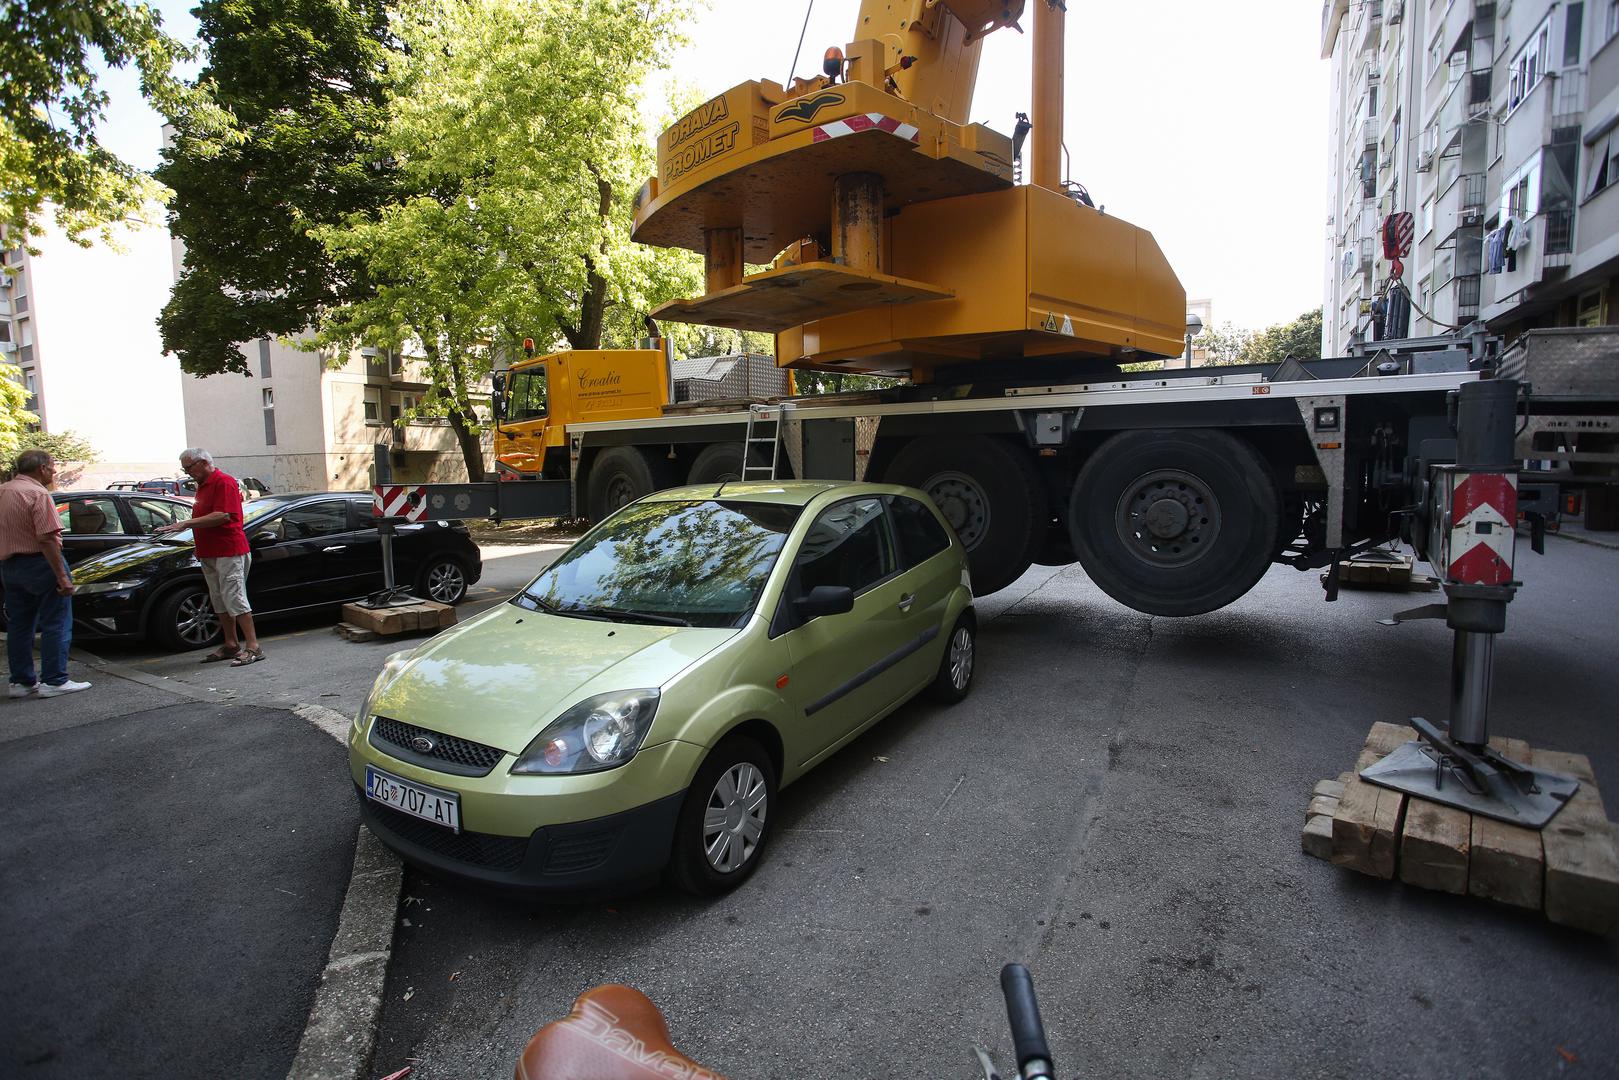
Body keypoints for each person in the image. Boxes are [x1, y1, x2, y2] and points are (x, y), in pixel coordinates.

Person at [154, 448, 265, 665]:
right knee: (219, 599)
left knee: (235, 598)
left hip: (229, 550)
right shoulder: (203, 485)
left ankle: (253, 646)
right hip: (210, 551)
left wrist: (185, 523)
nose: (187, 473)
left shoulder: (224, 482)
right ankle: (231, 644)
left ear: (203, 462)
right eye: (184, 469)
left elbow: (222, 515)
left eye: (189, 468)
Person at [0, 450, 91, 696]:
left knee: (19, 624)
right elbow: (47, 538)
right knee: (57, 621)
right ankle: (54, 680)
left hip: (10, 566)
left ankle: (21, 682)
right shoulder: (37, 493)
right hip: (40, 563)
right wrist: (62, 576)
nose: (54, 471)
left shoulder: (4, 490)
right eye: (52, 466)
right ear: (41, 468)